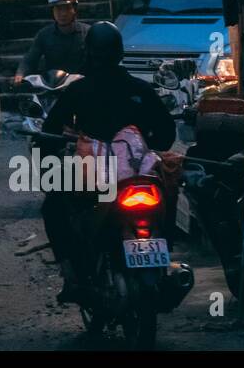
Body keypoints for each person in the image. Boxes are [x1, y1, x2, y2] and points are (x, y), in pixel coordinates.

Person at [40, 21, 176, 303]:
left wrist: (49, 156)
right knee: (170, 191)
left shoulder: (78, 91)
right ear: (120, 53)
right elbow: (166, 135)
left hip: (97, 180)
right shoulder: (141, 89)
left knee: (53, 205)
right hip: (140, 176)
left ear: (89, 53)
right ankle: (168, 251)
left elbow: (50, 132)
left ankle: (71, 276)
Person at [13, 0, 88, 86]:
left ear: (74, 9)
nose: (63, 13)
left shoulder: (87, 32)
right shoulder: (44, 35)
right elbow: (31, 58)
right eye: (58, 9)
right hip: (53, 87)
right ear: (52, 12)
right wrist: (20, 74)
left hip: (81, 86)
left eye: (67, 8)